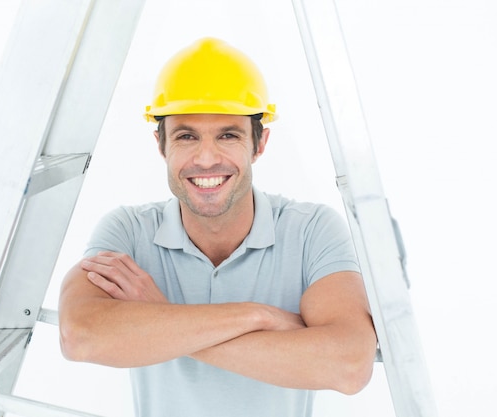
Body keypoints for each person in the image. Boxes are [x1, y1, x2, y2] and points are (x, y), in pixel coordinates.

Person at [59, 37, 377, 417]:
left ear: (259, 144)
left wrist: (163, 319)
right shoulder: (128, 231)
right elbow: (80, 336)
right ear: (160, 145)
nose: (206, 159)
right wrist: (259, 316)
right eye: (186, 136)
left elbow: (349, 365)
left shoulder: (312, 231)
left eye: (228, 135)